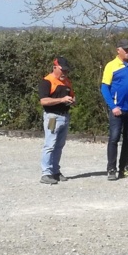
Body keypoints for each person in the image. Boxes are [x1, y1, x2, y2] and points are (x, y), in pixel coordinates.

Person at [101, 39, 128, 181]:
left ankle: (124, 168)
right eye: (125, 49)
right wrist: (112, 107)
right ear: (118, 50)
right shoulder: (111, 66)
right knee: (114, 138)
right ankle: (111, 169)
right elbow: (104, 88)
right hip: (117, 110)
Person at [38, 56, 75, 185]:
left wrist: (71, 100)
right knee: (50, 145)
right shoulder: (47, 81)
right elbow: (43, 101)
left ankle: (55, 171)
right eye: (62, 70)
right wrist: (61, 100)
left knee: (59, 145)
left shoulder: (67, 82)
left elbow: (70, 96)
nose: (65, 73)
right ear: (55, 67)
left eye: (66, 70)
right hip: (52, 117)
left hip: (64, 116)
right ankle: (46, 173)